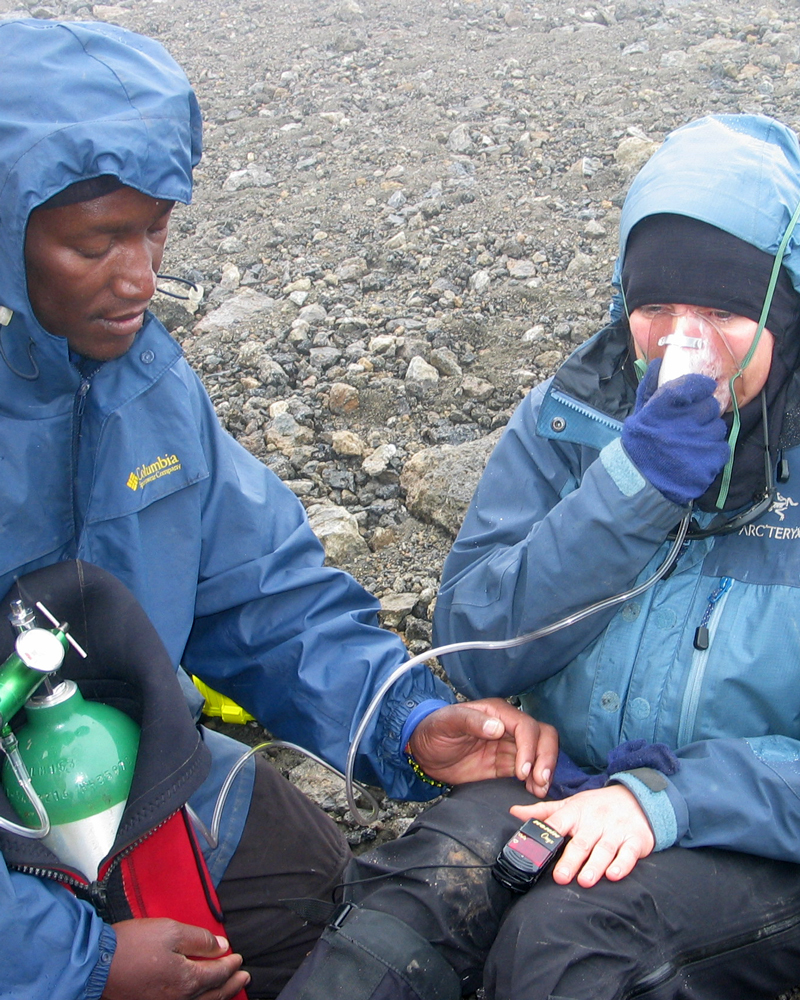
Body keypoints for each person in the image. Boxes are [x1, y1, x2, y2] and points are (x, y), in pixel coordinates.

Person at [0, 19, 558, 1000]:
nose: (141, 280)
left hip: (114, 768)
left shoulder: (144, 389)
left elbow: (263, 593)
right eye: (97, 243)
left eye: (156, 227)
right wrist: (77, 965)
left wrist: (405, 720)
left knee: (317, 886)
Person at [423, 112, 800, 997]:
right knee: (411, 902)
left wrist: (664, 800)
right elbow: (471, 644)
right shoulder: (571, 422)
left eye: (722, 311)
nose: (683, 342)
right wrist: (633, 487)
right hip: (567, 782)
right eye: (658, 307)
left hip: (753, 828)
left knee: (567, 946)